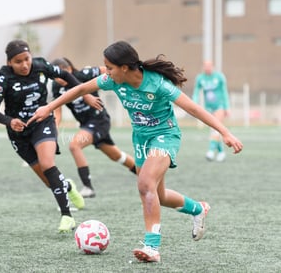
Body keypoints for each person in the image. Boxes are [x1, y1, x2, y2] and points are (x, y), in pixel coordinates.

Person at [28, 41, 243, 262]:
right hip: (141, 139)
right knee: (158, 195)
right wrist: (49, 107)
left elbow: (193, 108)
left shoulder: (157, 83)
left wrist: (225, 132)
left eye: (109, 67)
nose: (106, 72)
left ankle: (152, 247)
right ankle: (198, 209)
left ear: (124, 67)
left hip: (165, 135)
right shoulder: (113, 81)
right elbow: (81, 88)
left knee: (144, 183)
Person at [0, 40, 90, 232]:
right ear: (10, 62)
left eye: (27, 59)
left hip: (42, 122)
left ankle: (67, 216)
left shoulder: (41, 66)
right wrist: (9, 121)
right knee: (49, 181)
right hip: (19, 134)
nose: (25, 64)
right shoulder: (3, 78)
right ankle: (67, 186)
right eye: (18, 61)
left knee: (47, 164)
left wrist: (86, 95)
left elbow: (66, 75)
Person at [51, 57, 136, 198]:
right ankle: (145, 175)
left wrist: (124, 80)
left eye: (61, 74)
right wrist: (53, 133)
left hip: (99, 120)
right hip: (86, 125)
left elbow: (105, 70)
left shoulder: (84, 74)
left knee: (74, 145)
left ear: (69, 69)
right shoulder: (57, 87)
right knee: (116, 156)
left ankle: (88, 187)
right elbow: (57, 112)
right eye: (55, 77)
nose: (59, 79)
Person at [193, 61, 230, 162]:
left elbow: (224, 92)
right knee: (214, 129)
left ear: (213, 66)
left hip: (220, 106)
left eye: (209, 66)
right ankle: (221, 152)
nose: (207, 68)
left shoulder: (219, 77)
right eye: (205, 66)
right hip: (208, 108)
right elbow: (196, 91)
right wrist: (194, 104)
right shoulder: (200, 78)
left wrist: (227, 107)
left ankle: (210, 150)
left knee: (216, 128)